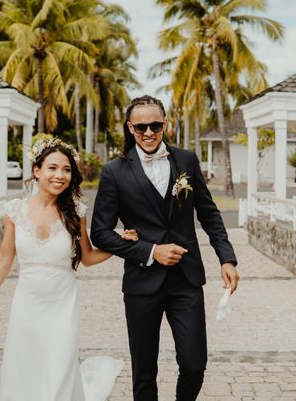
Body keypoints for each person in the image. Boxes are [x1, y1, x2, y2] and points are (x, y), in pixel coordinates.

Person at [91, 95, 240, 401]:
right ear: (130, 128)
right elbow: (100, 233)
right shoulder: (114, 172)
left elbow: (209, 213)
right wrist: (149, 251)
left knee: (194, 363)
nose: (149, 132)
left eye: (155, 125)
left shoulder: (186, 160)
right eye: (141, 126)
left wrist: (226, 259)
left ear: (165, 124)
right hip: (141, 283)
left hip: (186, 280)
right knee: (144, 372)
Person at [0, 137, 137, 401]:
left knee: (60, 366)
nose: (60, 175)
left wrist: (120, 243)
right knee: (25, 366)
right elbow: (4, 259)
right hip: (27, 303)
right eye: (52, 168)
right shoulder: (15, 210)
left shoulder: (77, 213)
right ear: (36, 171)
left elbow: (88, 257)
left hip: (62, 304)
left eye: (67, 169)